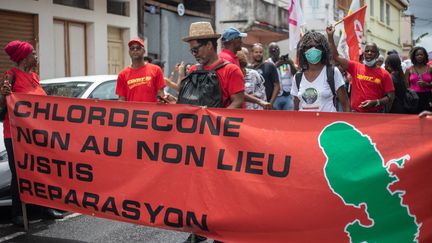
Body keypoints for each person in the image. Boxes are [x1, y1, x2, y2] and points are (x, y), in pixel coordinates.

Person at [1, 40, 64, 226]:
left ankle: (46, 207)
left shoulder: (35, 76)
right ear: (24, 57)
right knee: (19, 173)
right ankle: (18, 213)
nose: (36, 57)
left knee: (43, 170)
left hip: (36, 134)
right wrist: (4, 96)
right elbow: (2, 105)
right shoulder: (10, 75)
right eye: (33, 54)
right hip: (15, 134)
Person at [327, 25, 395, 112]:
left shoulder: (385, 74)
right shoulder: (355, 67)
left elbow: (391, 97)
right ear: (364, 54)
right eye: (367, 51)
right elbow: (336, 56)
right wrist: (330, 37)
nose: (369, 53)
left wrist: (376, 102)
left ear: (377, 55)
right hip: (356, 114)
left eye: (372, 51)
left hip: (376, 115)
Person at [291, 31, 350, 112]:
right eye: (309, 46)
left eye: (317, 46)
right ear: (303, 51)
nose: (313, 50)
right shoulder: (298, 77)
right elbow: (296, 109)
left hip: (327, 123)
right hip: (305, 124)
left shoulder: (332, 72)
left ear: (323, 50)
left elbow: (345, 104)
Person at [116, 38, 166, 102]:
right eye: (132, 48)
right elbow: (122, 99)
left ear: (144, 51)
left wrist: (161, 103)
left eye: (138, 48)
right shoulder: (122, 75)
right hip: (132, 111)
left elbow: (161, 94)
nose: (135, 50)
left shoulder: (156, 70)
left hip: (151, 111)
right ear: (129, 52)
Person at [267, 42, 297, 110]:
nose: (276, 51)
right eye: (273, 50)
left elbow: (295, 74)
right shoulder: (268, 63)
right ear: (270, 52)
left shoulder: (286, 61)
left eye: (277, 49)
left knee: (289, 118)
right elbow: (268, 76)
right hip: (275, 97)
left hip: (288, 95)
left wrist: (290, 63)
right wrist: (277, 65)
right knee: (276, 119)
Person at [405, 46, 432, 113]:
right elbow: (406, 86)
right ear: (414, 56)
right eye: (417, 55)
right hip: (413, 98)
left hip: (427, 97)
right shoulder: (409, 70)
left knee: (427, 119)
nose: (419, 56)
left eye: (421, 54)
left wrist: (427, 84)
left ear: (425, 56)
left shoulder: (430, 68)